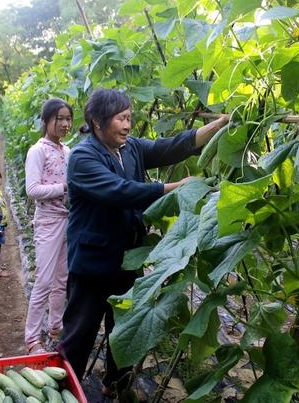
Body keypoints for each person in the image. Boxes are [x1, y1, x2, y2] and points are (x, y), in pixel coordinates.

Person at [59, 88, 229, 396]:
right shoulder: (83, 157)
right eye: (121, 118)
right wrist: (174, 186)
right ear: (98, 122)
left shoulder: (130, 148)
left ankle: (116, 385)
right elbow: (119, 191)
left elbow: (170, 147)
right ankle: (63, 390)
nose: (128, 125)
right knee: (79, 334)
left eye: (129, 118)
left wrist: (218, 125)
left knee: (122, 327)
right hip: (93, 262)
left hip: (127, 258)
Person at [24, 98, 73, 354]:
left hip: (67, 220)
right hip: (47, 222)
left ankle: (56, 327)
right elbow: (32, 190)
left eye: (68, 119)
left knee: (61, 280)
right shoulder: (38, 151)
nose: (65, 124)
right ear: (46, 121)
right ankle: (32, 339)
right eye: (60, 119)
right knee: (43, 281)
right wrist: (64, 187)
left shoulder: (66, 152)